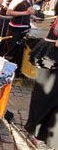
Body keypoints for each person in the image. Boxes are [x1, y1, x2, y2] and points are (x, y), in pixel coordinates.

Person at [24, 17, 58, 150]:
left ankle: (49, 136)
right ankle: (36, 134)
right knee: (43, 100)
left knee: (53, 102)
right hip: (51, 59)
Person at [4, 0, 40, 78]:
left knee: (20, 53)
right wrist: (26, 13)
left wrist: (33, 17)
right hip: (15, 30)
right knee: (11, 54)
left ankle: (17, 74)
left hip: (24, 28)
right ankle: (6, 74)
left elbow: (26, 12)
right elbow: (9, 12)